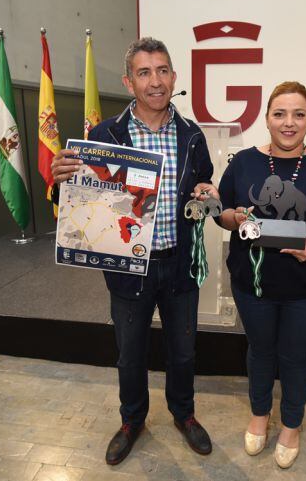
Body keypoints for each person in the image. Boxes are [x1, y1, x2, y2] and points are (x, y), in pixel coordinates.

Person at [51, 37, 218, 465]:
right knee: (130, 354)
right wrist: (60, 179)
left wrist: (207, 196)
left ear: (174, 77)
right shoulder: (105, 134)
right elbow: (76, 199)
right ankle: (132, 420)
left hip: (180, 267)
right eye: (144, 72)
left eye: (162, 70)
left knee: (183, 351)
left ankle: (184, 414)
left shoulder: (192, 136)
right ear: (129, 82)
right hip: (128, 271)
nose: (155, 81)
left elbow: (204, 193)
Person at [217, 81, 306, 468]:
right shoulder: (244, 162)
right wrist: (235, 216)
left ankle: (292, 423)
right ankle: (260, 414)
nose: (288, 123)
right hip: (253, 284)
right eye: (280, 114)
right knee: (259, 352)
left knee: (295, 356)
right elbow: (224, 212)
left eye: (298, 114)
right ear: (267, 119)